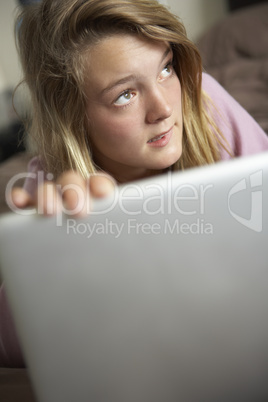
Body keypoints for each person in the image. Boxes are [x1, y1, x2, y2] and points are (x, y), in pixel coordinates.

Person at [1, 0, 268, 368]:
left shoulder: (204, 102)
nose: (164, 109)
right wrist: (48, 267)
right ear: (72, 113)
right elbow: (10, 348)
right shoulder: (53, 195)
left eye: (165, 68)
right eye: (125, 94)